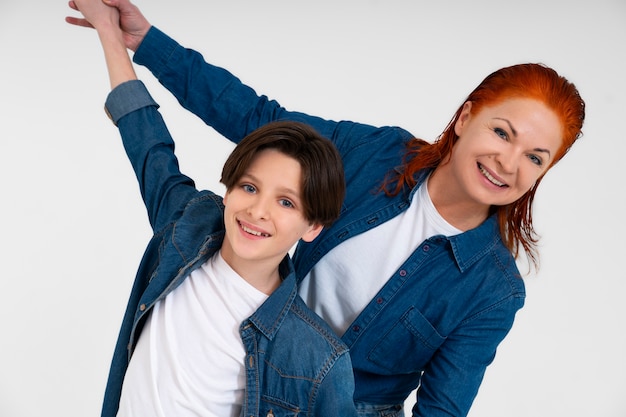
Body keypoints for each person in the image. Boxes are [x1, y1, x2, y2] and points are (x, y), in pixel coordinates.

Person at [66, 1, 586, 416]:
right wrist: (146, 44)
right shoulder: (375, 153)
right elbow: (259, 120)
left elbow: (442, 408)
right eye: (502, 132)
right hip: (237, 349)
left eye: (535, 157)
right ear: (467, 116)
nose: (507, 162)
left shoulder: (492, 289)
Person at [66, 1, 359, 416]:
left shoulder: (317, 358)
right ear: (228, 190)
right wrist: (109, 33)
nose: (257, 211)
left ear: (312, 226)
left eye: (286, 201)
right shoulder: (187, 227)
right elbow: (147, 140)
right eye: (249, 187)